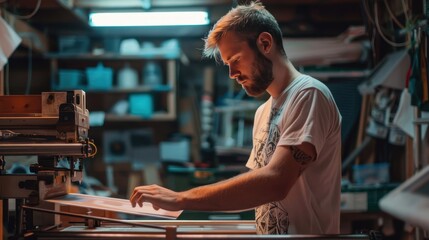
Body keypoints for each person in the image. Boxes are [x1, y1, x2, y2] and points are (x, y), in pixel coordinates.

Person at [130, 0, 342, 235]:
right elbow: (256, 189)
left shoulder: (309, 95)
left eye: (236, 60)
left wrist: (182, 198)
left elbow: (275, 182)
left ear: (264, 43)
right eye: (227, 64)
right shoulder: (264, 112)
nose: (232, 74)